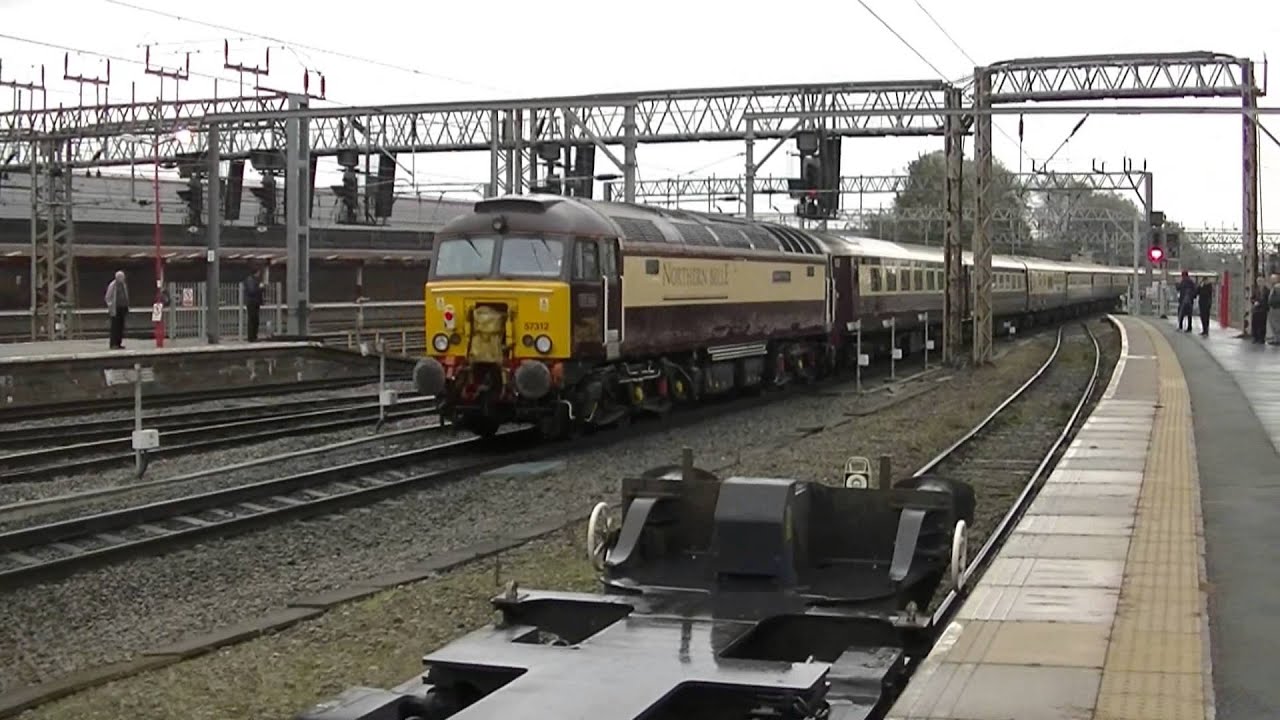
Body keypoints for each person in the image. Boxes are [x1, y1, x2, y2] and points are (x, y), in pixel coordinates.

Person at [104, 270, 129, 349]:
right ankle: (113, 344)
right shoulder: (112, 285)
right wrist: (110, 306)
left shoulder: (123, 285)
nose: (123, 278)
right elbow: (108, 297)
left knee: (121, 327)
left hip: (122, 308)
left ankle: (118, 343)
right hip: (115, 308)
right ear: (117, 277)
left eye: (123, 277)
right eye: (121, 277)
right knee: (115, 327)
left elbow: (125, 295)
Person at [244, 268, 263, 342]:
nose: (259, 274)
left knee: (255, 320)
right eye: (259, 273)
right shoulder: (251, 280)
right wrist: (260, 287)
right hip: (252, 302)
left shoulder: (253, 280)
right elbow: (252, 291)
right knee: (253, 320)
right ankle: (252, 337)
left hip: (254, 302)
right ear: (256, 272)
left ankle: (254, 336)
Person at [1251, 277, 1270, 344]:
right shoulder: (1255, 290)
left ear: (1264, 282)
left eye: (1261, 281)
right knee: (1255, 324)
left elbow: (1268, 301)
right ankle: (1255, 338)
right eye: (1258, 281)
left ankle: (1261, 338)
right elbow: (1252, 298)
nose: (1259, 283)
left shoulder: (1267, 290)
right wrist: (1254, 302)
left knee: (1262, 325)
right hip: (1256, 310)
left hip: (1263, 310)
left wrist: (1263, 306)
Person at [1269, 274, 1280, 346]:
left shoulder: (1278, 287)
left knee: (1276, 324)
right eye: (1271, 279)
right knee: (1273, 324)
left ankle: (1277, 340)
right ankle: (1275, 338)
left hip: (1277, 308)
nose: (1271, 280)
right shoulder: (1273, 287)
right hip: (1272, 308)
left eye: (1273, 279)